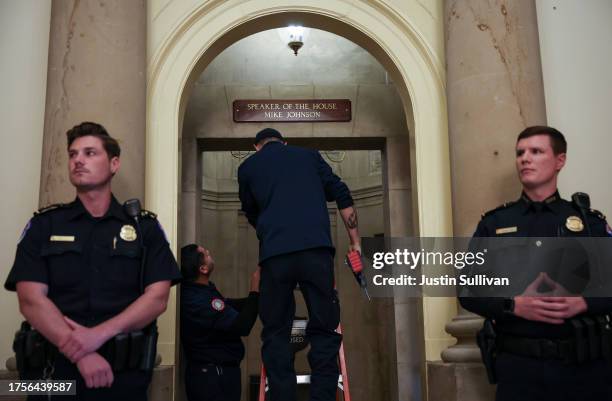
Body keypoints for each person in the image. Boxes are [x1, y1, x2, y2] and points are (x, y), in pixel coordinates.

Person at [4, 122, 181, 400]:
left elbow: (157, 298)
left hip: (122, 377)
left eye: (89, 153)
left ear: (114, 164)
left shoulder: (145, 228)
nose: (78, 161)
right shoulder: (44, 225)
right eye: (73, 154)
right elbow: (30, 299)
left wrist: (97, 335)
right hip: (53, 375)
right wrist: (81, 353)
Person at [460, 126, 612, 401]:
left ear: (559, 161)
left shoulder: (590, 223)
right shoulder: (494, 223)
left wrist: (585, 302)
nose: (524, 159)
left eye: (536, 151)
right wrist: (513, 305)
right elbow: (467, 289)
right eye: (520, 153)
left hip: (585, 370)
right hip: (520, 370)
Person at [237, 128, 361, 401]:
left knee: (276, 331)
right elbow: (341, 193)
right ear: (284, 142)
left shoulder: (247, 167)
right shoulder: (309, 156)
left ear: (256, 146)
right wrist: (355, 242)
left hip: (275, 257)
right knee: (325, 329)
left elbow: (251, 211)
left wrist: (270, 233)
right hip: (316, 253)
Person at [179, 243, 260, 401]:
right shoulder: (197, 300)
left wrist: (258, 299)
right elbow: (242, 326)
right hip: (212, 377)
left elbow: (228, 305)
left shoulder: (201, 290)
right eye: (206, 254)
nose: (210, 253)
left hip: (217, 373)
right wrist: (255, 289)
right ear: (203, 269)